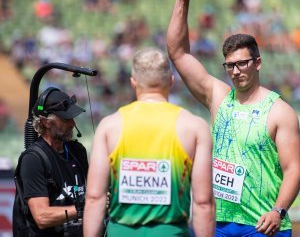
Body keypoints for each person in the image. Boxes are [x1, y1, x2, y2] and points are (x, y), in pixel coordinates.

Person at [166, 0, 300, 237]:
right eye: (230, 65)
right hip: (216, 223)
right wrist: (182, 2)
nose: (235, 71)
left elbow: (293, 169)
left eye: (242, 63)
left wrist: (279, 211)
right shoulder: (219, 97)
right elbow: (178, 54)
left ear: (258, 63)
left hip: (263, 225)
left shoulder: (279, 111)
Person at [83, 48, 215, 237]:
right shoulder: (194, 127)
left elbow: (95, 198)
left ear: (133, 83)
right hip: (171, 231)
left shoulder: (110, 126)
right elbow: (203, 203)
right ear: (171, 81)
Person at [13, 87, 88, 236]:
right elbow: (42, 217)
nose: (73, 123)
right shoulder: (33, 159)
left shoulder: (78, 151)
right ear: (46, 122)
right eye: (66, 119)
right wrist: (85, 208)